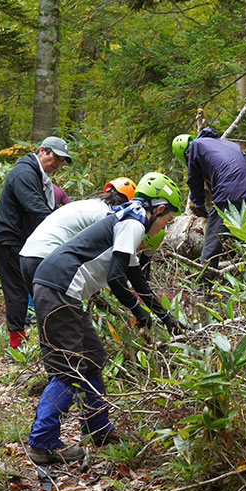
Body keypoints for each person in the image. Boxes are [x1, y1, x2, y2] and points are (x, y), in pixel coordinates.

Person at [26, 172, 183, 465]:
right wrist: (138, 313)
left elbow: (137, 281)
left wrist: (167, 318)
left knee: (93, 357)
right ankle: (43, 443)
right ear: (159, 209)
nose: (165, 225)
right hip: (59, 288)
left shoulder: (128, 220)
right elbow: (116, 279)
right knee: (69, 369)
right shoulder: (134, 222)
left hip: (63, 290)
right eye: (168, 219)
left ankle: (98, 428)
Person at [0, 136, 72, 349]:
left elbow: (44, 208)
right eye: (56, 157)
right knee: (17, 291)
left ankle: (38, 338)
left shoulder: (37, 175)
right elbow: (36, 209)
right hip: (9, 239)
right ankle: (17, 343)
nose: (57, 164)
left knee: (35, 287)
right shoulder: (25, 173)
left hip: (21, 240)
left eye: (62, 161)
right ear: (43, 151)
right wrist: (64, 227)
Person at [172, 127, 246, 284]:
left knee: (211, 247)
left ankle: (202, 291)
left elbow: (194, 181)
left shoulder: (195, 147)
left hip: (227, 197)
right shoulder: (229, 144)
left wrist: (199, 206)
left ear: (185, 154)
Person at [19, 177, 137, 294]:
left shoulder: (86, 204)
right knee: (58, 309)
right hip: (47, 258)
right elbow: (108, 257)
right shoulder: (104, 215)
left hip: (27, 255)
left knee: (43, 309)